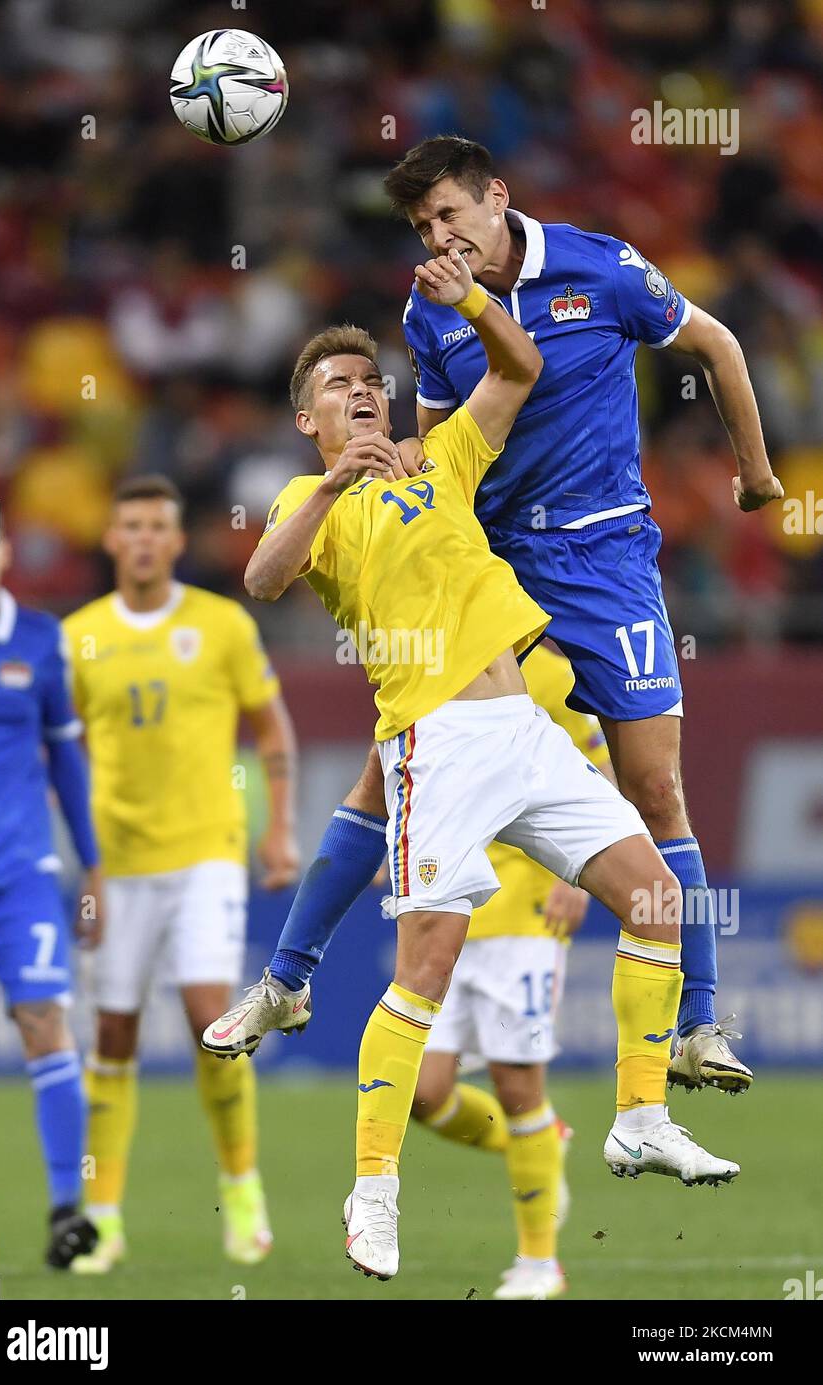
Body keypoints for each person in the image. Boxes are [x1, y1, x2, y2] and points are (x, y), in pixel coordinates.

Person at [204, 248, 739, 1283]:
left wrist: (472, 300)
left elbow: (518, 369)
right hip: (435, 742)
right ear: (307, 422)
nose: (360, 396)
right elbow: (263, 579)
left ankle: (638, 1115)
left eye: (370, 382)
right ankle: (370, 1195)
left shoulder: (439, 459)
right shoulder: (303, 503)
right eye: (335, 390)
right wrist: (329, 487)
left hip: (528, 736)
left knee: (657, 901)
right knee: (424, 972)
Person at [214, 136, 783, 1098]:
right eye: (423, 226)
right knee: (384, 769)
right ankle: (287, 977)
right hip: (497, 560)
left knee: (657, 790)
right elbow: (446, 435)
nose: (440, 238)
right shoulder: (425, 308)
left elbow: (717, 345)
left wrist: (757, 473)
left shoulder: (601, 269)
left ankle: (695, 1023)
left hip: (604, 559)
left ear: (496, 198)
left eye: (449, 216)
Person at [62, 475, 300, 1274]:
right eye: (127, 525)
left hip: (206, 854)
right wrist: (82, 867)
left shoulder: (223, 625)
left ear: (173, 541)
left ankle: (242, 1192)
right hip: (119, 864)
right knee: (114, 1036)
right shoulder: (79, 638)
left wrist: (281, 833)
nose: (141, 539)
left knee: (212, 1021)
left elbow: (271, 730)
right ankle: (101, 1220)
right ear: (111, 539)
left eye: (156, 526)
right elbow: (63, 756)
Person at [411, 643, 606, 1301]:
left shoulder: (548, 672)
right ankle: (542, 1147)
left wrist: (575, 875)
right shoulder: (427, 663)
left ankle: (539, 1264)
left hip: (522, 909)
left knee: (517, 1082)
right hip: (446, 906)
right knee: (425, 1094)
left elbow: (594, 770)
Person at [0, 491, 101, 1271]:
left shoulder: (42, 641)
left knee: (45, 1019)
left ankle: (64, 1215)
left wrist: (94, 866)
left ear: (6, 554)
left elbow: (67, 760)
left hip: (20, 873)